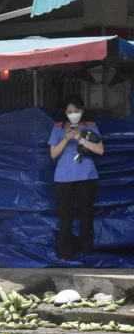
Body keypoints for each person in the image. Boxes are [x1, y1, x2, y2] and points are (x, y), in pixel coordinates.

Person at [49, 95, 105, 260]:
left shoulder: (90, 126)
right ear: (65, 112)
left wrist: (80, 138)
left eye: (76, 110)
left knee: (86, 215)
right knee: (65, 216)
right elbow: (53, 154)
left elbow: (100, 150)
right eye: (69, 111)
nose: (73, 113)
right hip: (63, 178)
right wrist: (66, 139)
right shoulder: (58, 127)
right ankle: (65, 253)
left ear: (82, 110)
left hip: (86, 176)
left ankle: (87, 252)